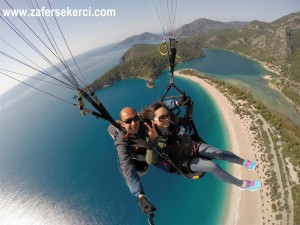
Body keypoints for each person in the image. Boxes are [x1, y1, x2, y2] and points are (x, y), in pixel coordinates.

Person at [141, 100, 262, 191]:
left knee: (219, 153)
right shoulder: (152, 136)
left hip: (192, 146)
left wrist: (186, 105)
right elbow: (151, 160)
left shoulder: (172, 121)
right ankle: (241, 184)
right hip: (184, 162)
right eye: (162, 118)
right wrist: (152, 141)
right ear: (153, 121)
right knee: (212, 166)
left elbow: (186, 118)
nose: (166, 119)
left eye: (167, 115)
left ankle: (244, 162)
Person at [108, 107, 169, 215]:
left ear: (137, 117)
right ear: (122, 124)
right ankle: (169, 167)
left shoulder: (141, 121)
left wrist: (176, 103)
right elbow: (127, 166)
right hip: (137, 155)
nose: (133, 123)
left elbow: (156, 108)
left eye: (135, 118)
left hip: (142, 146)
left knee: (153, 153)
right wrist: (140, 196)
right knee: (145, 159)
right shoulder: (121, 141)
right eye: (128, 121)